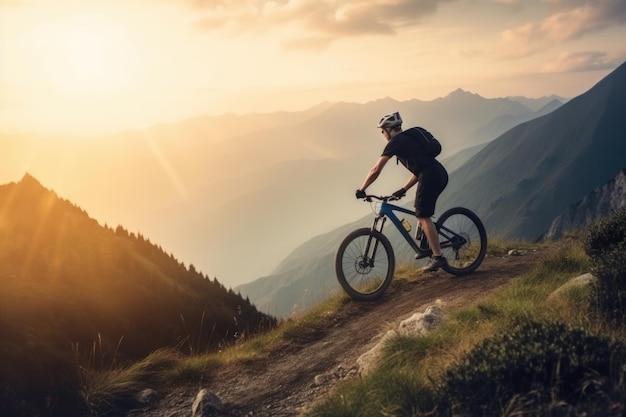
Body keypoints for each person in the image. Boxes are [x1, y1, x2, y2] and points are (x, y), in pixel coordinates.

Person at [355, 111, 449, 272]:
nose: (382, 133)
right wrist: (403, 189)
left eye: (382, 130)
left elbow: (376, 169)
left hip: (431, 176)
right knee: (421, 209)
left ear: (388, 129)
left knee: (422, 214)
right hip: (436, 173)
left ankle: (438, 258)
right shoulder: (407, 140)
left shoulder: (395, 142)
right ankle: (427, 246)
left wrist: (362, 189)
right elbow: (419, 170)